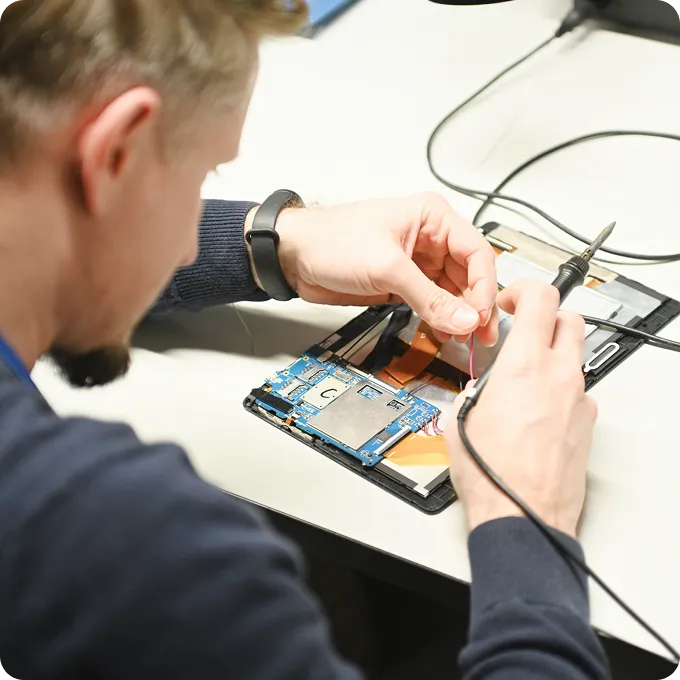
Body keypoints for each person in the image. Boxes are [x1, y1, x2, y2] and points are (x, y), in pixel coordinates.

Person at [0, 1, 610, 678]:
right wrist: (524, 516)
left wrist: (270, 242)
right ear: (115, 153)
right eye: (202, 175)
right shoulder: (120, 546)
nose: (182, 242)